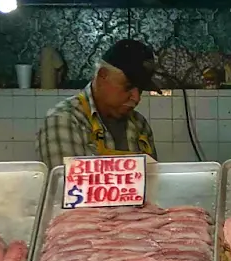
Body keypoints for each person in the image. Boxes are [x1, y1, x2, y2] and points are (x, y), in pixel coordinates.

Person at [35, 39, 158, 171]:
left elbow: (152, 182)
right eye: (128, 87)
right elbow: (70, 187)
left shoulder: (140, 124)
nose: (136, 98)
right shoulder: (64, 120)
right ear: (102, 75)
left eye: (140, 89)